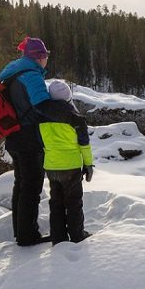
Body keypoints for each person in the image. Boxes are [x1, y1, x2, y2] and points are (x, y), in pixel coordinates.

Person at [0, 37, 52, 246]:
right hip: (29, 138)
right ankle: (28, 236)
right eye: (45, 55)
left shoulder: (11, 74)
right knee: (31, 187)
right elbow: (43, 105)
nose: (46, 59)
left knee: (21, 185)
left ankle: (20, 232)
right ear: (38, 57)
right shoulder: (31, 75)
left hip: (13, 136)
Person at [38, 80, 94, 245]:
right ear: (68, 97)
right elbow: (84, 145)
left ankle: (58, 237)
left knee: (56, 203)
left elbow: (40, 142)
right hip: (71, 166)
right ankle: (77, 235)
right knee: (74, 202)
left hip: (52, 165)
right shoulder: (76, 118)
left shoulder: (40, 116)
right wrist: (88, 165)